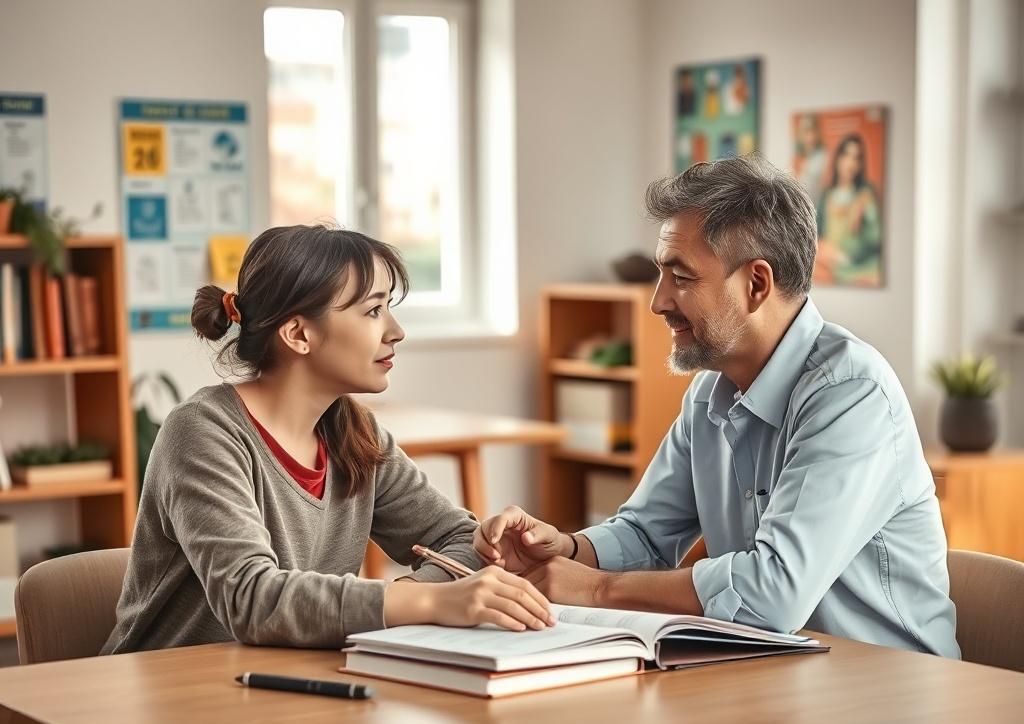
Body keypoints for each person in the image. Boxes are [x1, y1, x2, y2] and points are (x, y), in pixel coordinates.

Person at [474, 155, 959, 658]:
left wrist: (596, 588)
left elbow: (773, 594)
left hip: (892, 690)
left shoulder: (851, 394)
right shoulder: (710, 393)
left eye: (680, 278)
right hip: (776, 676)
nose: (657, 302)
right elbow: (645, 532)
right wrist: (567, 549)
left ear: (756, 284)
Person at [103, 225, 553, 654]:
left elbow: (460, 539)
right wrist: (431, 602)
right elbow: (250, 598)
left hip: (287, 688)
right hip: (170, 698)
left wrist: (412, 592)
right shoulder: (202, 432)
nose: (396, 331)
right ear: (299, 334)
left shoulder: (354, 433)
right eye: (374, 310)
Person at [816, 133, 882, 285]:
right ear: (838, 158)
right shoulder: (827, 195)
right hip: (829, 261)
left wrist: (866, 210)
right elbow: (816, 234)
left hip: (857, 264)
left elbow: (875, 239)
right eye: (846, 156)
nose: (850, 163)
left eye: (856, 158)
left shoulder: (865, 195)